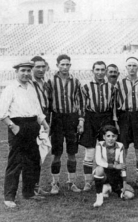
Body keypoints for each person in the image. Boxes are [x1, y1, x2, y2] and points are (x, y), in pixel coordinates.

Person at [0, 61, 49, 208]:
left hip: (33, 125)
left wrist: (44, 124)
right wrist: (13, 127)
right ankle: (9, 197)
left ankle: (29, 192)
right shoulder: (10, 88)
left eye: (28, 70)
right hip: (18, 125)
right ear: (17, 72)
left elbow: (37, 109)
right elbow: (2, 112)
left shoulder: (32, 87)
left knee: (33, 161)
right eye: (23, 70)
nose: (26, 73)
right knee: (15, 162)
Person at [79, 61, 117, 191]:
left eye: (102, 70)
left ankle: (105, 180)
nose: (100, 72)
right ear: (93, 70)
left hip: (106, 118)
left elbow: (113, 107)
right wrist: (82, 122)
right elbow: (82, 106)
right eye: (97, 70)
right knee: (89, 152)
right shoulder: (85, 87)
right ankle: (88, 182)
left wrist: (114, 122)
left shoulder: (112, 87)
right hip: (90, 118)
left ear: (105, 71)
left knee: (106, 152)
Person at [48, 54, 83, 194]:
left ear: (70, 65)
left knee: (72, 152)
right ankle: (55, 183)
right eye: (62, 64)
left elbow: (80, 102)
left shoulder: (76, 81)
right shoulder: (50, 81)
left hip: (71, 118)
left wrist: (80, 120)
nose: (65, 67)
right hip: (57, 119)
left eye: (67, 64)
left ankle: (71, 182)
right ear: (57, 65)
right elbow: (48, 103)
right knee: (56, 153)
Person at [116, 57, 138, 190]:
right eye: (129, 65)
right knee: (123, 150)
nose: (132, 68)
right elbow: (114, 104)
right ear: (126, 68)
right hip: (124, 117)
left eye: (134, 65)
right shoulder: (119, 84)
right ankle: (123, 180)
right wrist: (116, 120)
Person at [93, 125, 134, 207]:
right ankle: (99, 199)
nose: (111, 138)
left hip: (115, 175)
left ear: (116, 137)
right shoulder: (99, 145)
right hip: (104, 173)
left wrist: (124, 182)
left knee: (129, 195)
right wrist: (114, 166)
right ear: (104, 137)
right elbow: (98, 161)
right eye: (108, 136)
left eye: (113, 136)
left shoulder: (120, 146)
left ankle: (111, 188)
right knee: (99, 169)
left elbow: (122, 165)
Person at [31, 56, 51, 196]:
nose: (41, 69)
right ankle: (31, 187)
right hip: (33, 120)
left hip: (44, 119)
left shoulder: (45, 83)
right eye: (37, 67)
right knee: (31, 155)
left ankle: (35, 185)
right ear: (31, 68)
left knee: (39, 154)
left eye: (43, 67)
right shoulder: (29, 84)